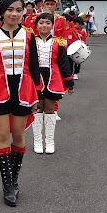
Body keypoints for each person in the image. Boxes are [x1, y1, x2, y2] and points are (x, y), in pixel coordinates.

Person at [0, 0, 41, 207]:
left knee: (19, 135)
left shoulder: (29, 35)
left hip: (23, 89)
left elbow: (34, 65)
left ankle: (14, 179)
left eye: (18, 10)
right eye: (10, 10)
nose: (14, 14)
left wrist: (37, 93)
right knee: (3, 134)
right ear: (2, 13)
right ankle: (7, 185)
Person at [31, 13, 74, 154]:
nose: (44, 25)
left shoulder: (59, 42)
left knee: (50, 109)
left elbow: (64, 63)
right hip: (35, 78)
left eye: (48, 23)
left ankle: (49, 141)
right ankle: (37, 141)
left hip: (53, 77)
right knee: (37, 109)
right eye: (41, 22)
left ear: (52, 25)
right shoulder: (30, 41)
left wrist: (69, 82)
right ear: (36, 25)